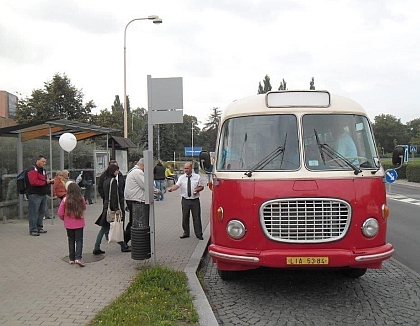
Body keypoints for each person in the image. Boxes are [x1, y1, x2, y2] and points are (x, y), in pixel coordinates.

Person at [93, 164, 130, 255]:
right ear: (113, 171)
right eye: (117, 170)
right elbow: (114, 196)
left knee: (105, 228)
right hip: (112, 208)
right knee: (117, 225)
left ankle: (97, 247)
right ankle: (122, 245)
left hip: (106, 206)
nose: (118, 172)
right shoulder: (113, 181)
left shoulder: (106, 180)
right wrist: (117, 208)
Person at [124, 158, 161, 246]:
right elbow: (145, 185)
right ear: (144, 165)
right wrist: (156, 191)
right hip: (136, 200)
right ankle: (125, 240)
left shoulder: (133, 171)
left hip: (131, 199)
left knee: (133, 221)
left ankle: (127, 240)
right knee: (135, 222)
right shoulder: (138, 172)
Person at [168, 162, 204, 240]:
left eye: (187, 168)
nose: (186, 170)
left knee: (196, 217)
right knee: (185, 217)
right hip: (185, 200)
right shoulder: (181, 177)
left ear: (191, 168)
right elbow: (177, 185)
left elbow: (201, 187)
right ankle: (186, 232)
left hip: (195, 200)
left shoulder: (197, 177)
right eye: (185, 168)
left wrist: (197, 190)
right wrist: (172, 189)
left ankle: (199, 234)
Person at [58, 182, 86, 267]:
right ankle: (78, 258)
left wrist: (64, 219)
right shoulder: (81, 198)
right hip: (79, 223)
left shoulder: (65, 200)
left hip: (68, 224)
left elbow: (60, 212)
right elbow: (84, 207)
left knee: (71, 240)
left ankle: (71, 258)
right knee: (79, 240)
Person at [26, 155, 54, 236]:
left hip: (43, 193)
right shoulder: (32, 169)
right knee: (34, 212)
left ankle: (39, 227)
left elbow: (43, 180)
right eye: (42, 161)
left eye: (45, 162)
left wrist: (48, 181)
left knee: (41, 212)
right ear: (37, 161)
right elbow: (33, 182)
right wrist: (46, 182)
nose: (44, 163)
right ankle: (33, 229)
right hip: (34, 194)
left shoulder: (43, 170)